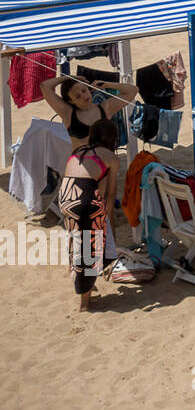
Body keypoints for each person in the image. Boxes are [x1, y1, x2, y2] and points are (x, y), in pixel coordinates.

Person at [58, 118, 119, 312]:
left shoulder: (78, 151)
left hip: (66, 197)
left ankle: (84, 283)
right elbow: (109, 195)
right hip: (84, 200)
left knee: (77, 240)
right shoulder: (110, 157)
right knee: (92, 249)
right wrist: (106, 224)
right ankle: (84, 304)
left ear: (92, 135)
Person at [41, 74, 138, 143]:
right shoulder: (68, 113)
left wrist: (106, 84)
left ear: (88, 88)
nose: (84, 96)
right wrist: (69, 77)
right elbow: (45, 86)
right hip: (81, 166)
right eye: (78, 96)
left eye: (84, 90)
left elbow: (133, 91)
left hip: (104, 164)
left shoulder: (105, 108)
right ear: (71, 101)